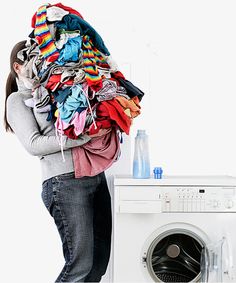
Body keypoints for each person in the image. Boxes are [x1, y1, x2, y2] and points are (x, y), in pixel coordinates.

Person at [4, 40, 112, 283]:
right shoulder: (17, 101)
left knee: (98, 264)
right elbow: (34, 144)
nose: (41, 64)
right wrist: (84, 136)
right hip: (64, 184)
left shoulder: (59, 88)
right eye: (34, 60)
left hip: (94, 176)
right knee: (79, 266)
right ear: (18, 67)